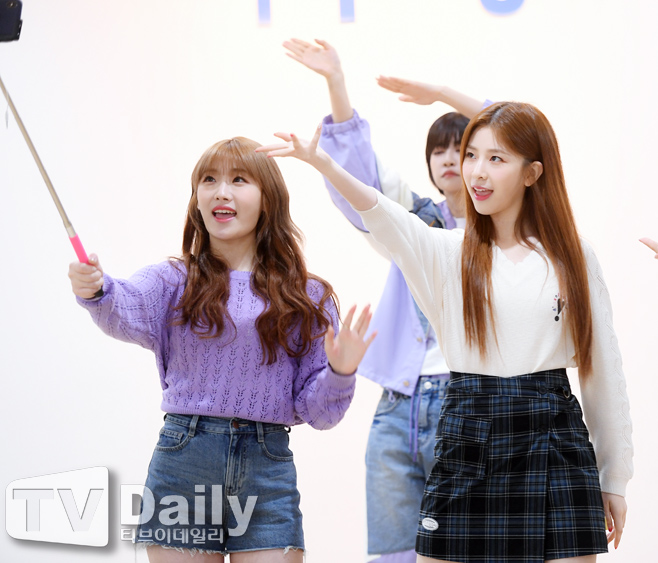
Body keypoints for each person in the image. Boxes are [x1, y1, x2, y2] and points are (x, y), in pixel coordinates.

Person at [257, 101, 633, 563]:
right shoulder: (447, 251)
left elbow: (603, 369)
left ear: (533, 173)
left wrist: (614, 478)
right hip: (468, 431)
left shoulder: (573, 255)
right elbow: (381, 213)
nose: (476, 171)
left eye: (496, 158)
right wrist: (324, 163)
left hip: (553, 436)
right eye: (471, 155)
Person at [68, 136, 376, 563]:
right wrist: (96, 289)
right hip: (183, 466)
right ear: (196, 200)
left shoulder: (307, 296)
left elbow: (320, 414)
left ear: (268, 199)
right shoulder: (173, 281)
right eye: (209, 180)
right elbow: (124, 306)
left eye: (239, 179)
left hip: (267, 473)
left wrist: (341, 373)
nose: (221, 192)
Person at [283, 38, 487, 563]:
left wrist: (442, 92)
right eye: (439, 150)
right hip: (399, 403)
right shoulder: (413, 223)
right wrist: (336, 83)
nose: (450, 158)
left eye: (463, 148)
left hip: (470, 401)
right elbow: (361, 184)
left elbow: (521, 128)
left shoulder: (509, 234)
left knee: (467, 550)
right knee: (394, 555)